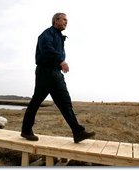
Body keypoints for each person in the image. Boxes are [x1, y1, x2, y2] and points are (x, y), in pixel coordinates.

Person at [21, 12, 95, 143]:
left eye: (67, 20)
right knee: (36, 101)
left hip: (56, 73)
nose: (66, 22)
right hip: (45, 72)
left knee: (65, 102)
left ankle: (78, 132)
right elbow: (46, 48)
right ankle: (26, 130)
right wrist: (61, 61)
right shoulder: (47, 34)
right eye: (64, 19)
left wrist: (59, 64)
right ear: (56, 20)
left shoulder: (60, 37)